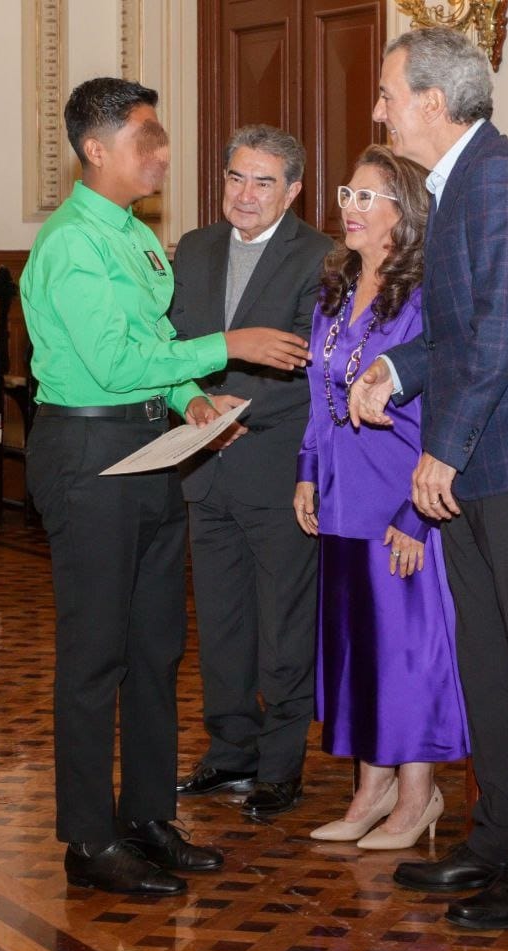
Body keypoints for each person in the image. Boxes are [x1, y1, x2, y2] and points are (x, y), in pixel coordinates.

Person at [22, 78, 311, 896]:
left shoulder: (137, 237)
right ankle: (87, 839)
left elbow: (151, 345)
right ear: (97, 149)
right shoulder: (74, 243)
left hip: (152, 445)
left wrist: (191, 397)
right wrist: (231, 344)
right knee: (93, 658)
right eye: (147, 138)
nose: (164, 151)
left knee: (155, 650)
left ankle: (147, 817)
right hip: (88, 452)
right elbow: (112, 364)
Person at [349, 27, 508, 930]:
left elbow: (498, 330)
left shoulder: (497, 175)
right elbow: (461, 331)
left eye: (388, 93)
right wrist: (397, 371)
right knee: (487, 663)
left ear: (433, 99)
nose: (378, 109)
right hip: (490, 458)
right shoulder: (461, 182)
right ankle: (498, 835)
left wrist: (441, 448)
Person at [295, 145, 469, 850]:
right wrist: (308, 469)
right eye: (348, 193)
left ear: (407, 213)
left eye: (368, 197)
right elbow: (318, 392)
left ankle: (418, 796)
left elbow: (441, 412)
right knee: (358, 648)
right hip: (341, 496)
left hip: (402, 500)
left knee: (407, 653)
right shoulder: (334, 290)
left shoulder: (427, 299)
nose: (350, 207)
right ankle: (371, 788)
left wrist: (414, 516)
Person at [171, 125, 333, 818]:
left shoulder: (321, 258)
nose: (245, 193)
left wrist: (226, 409)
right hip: (203, 465)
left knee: (284, 628)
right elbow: (175, 346)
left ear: (293, 190)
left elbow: (310, 368)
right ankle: (228, 753)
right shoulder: (195, 248)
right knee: (223, 620)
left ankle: (279, 765)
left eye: (263, 181)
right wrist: (195, 404)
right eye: (236, 177)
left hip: (276, 466)